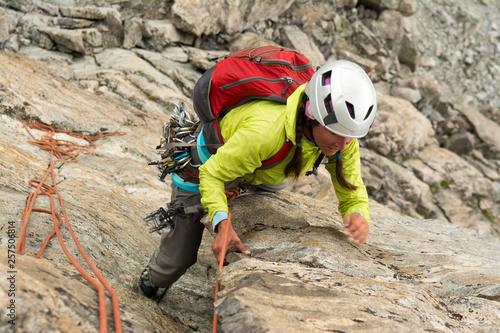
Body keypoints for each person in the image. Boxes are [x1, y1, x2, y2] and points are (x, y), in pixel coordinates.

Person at [139, 59, 377, 298]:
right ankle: (154, 276)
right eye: (336, 134)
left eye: (350, 137)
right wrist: (222, 223)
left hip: (251, 165)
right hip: (204, 164)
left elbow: (351, 180)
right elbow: (211, 174)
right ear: (312, 115)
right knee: (179, 258)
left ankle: (239, 184)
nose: (343, 145)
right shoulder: (266, 133)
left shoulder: (341, 137)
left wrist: (357, 210)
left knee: (277, 181)